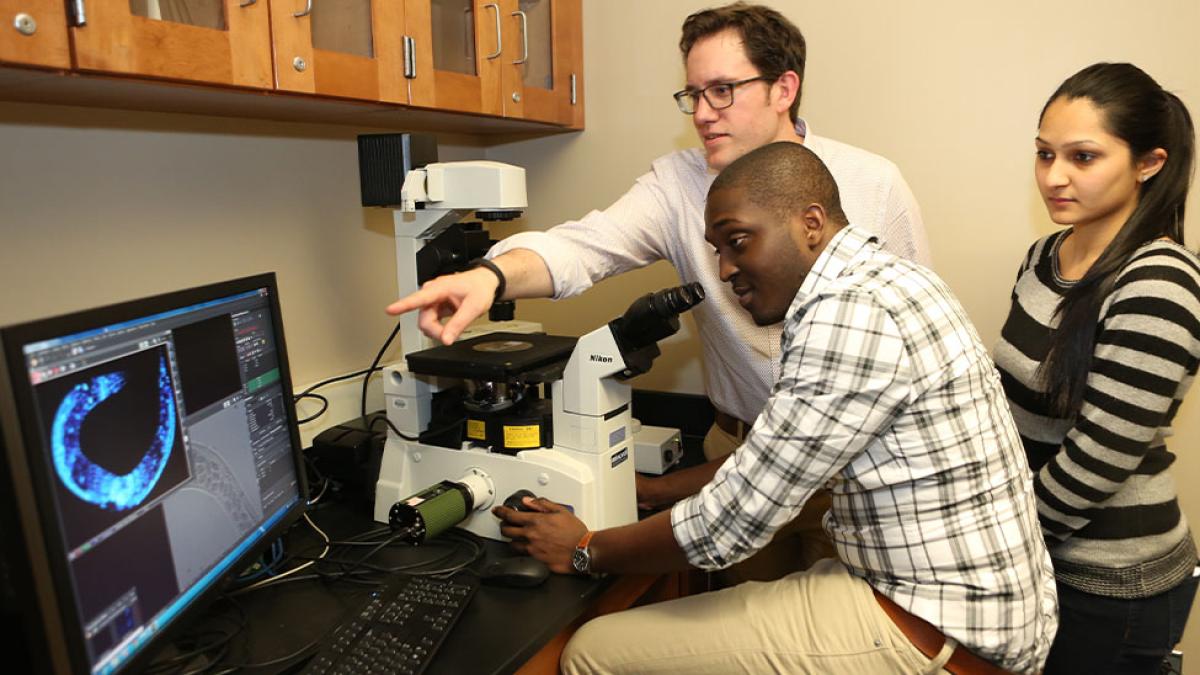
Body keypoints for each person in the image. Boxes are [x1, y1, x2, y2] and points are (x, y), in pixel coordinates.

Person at [388, 2, 931, 581]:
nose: (702, 113)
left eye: (722, 90)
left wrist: (589, 548)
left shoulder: (873, 184)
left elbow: (913, 334)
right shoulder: (678, 183)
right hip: (733, 454)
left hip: (858, 471)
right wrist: (490, 276)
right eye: (692, 94)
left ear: (784, 88)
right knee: (735, 646)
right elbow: (584, 246)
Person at [495, 142, 1058, 674]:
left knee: (594, 650)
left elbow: (727, 526)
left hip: (936, 633)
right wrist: (650, 491)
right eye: (717, 251)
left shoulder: (845, 314)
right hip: (973, 609)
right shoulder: (891, 280)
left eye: (738, 241)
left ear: (810, 224)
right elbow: (788, 453)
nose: (722, 271)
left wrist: (585, 549)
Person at [993, 62, 1199, 674]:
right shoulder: (1047, 254)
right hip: (1045, 554)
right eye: (1043, 154)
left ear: (1149, 163)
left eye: (1083, 157)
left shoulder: (1161, 284)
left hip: (1113, 580)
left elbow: (1096, 461)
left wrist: (999, 538)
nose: (1053, 177)